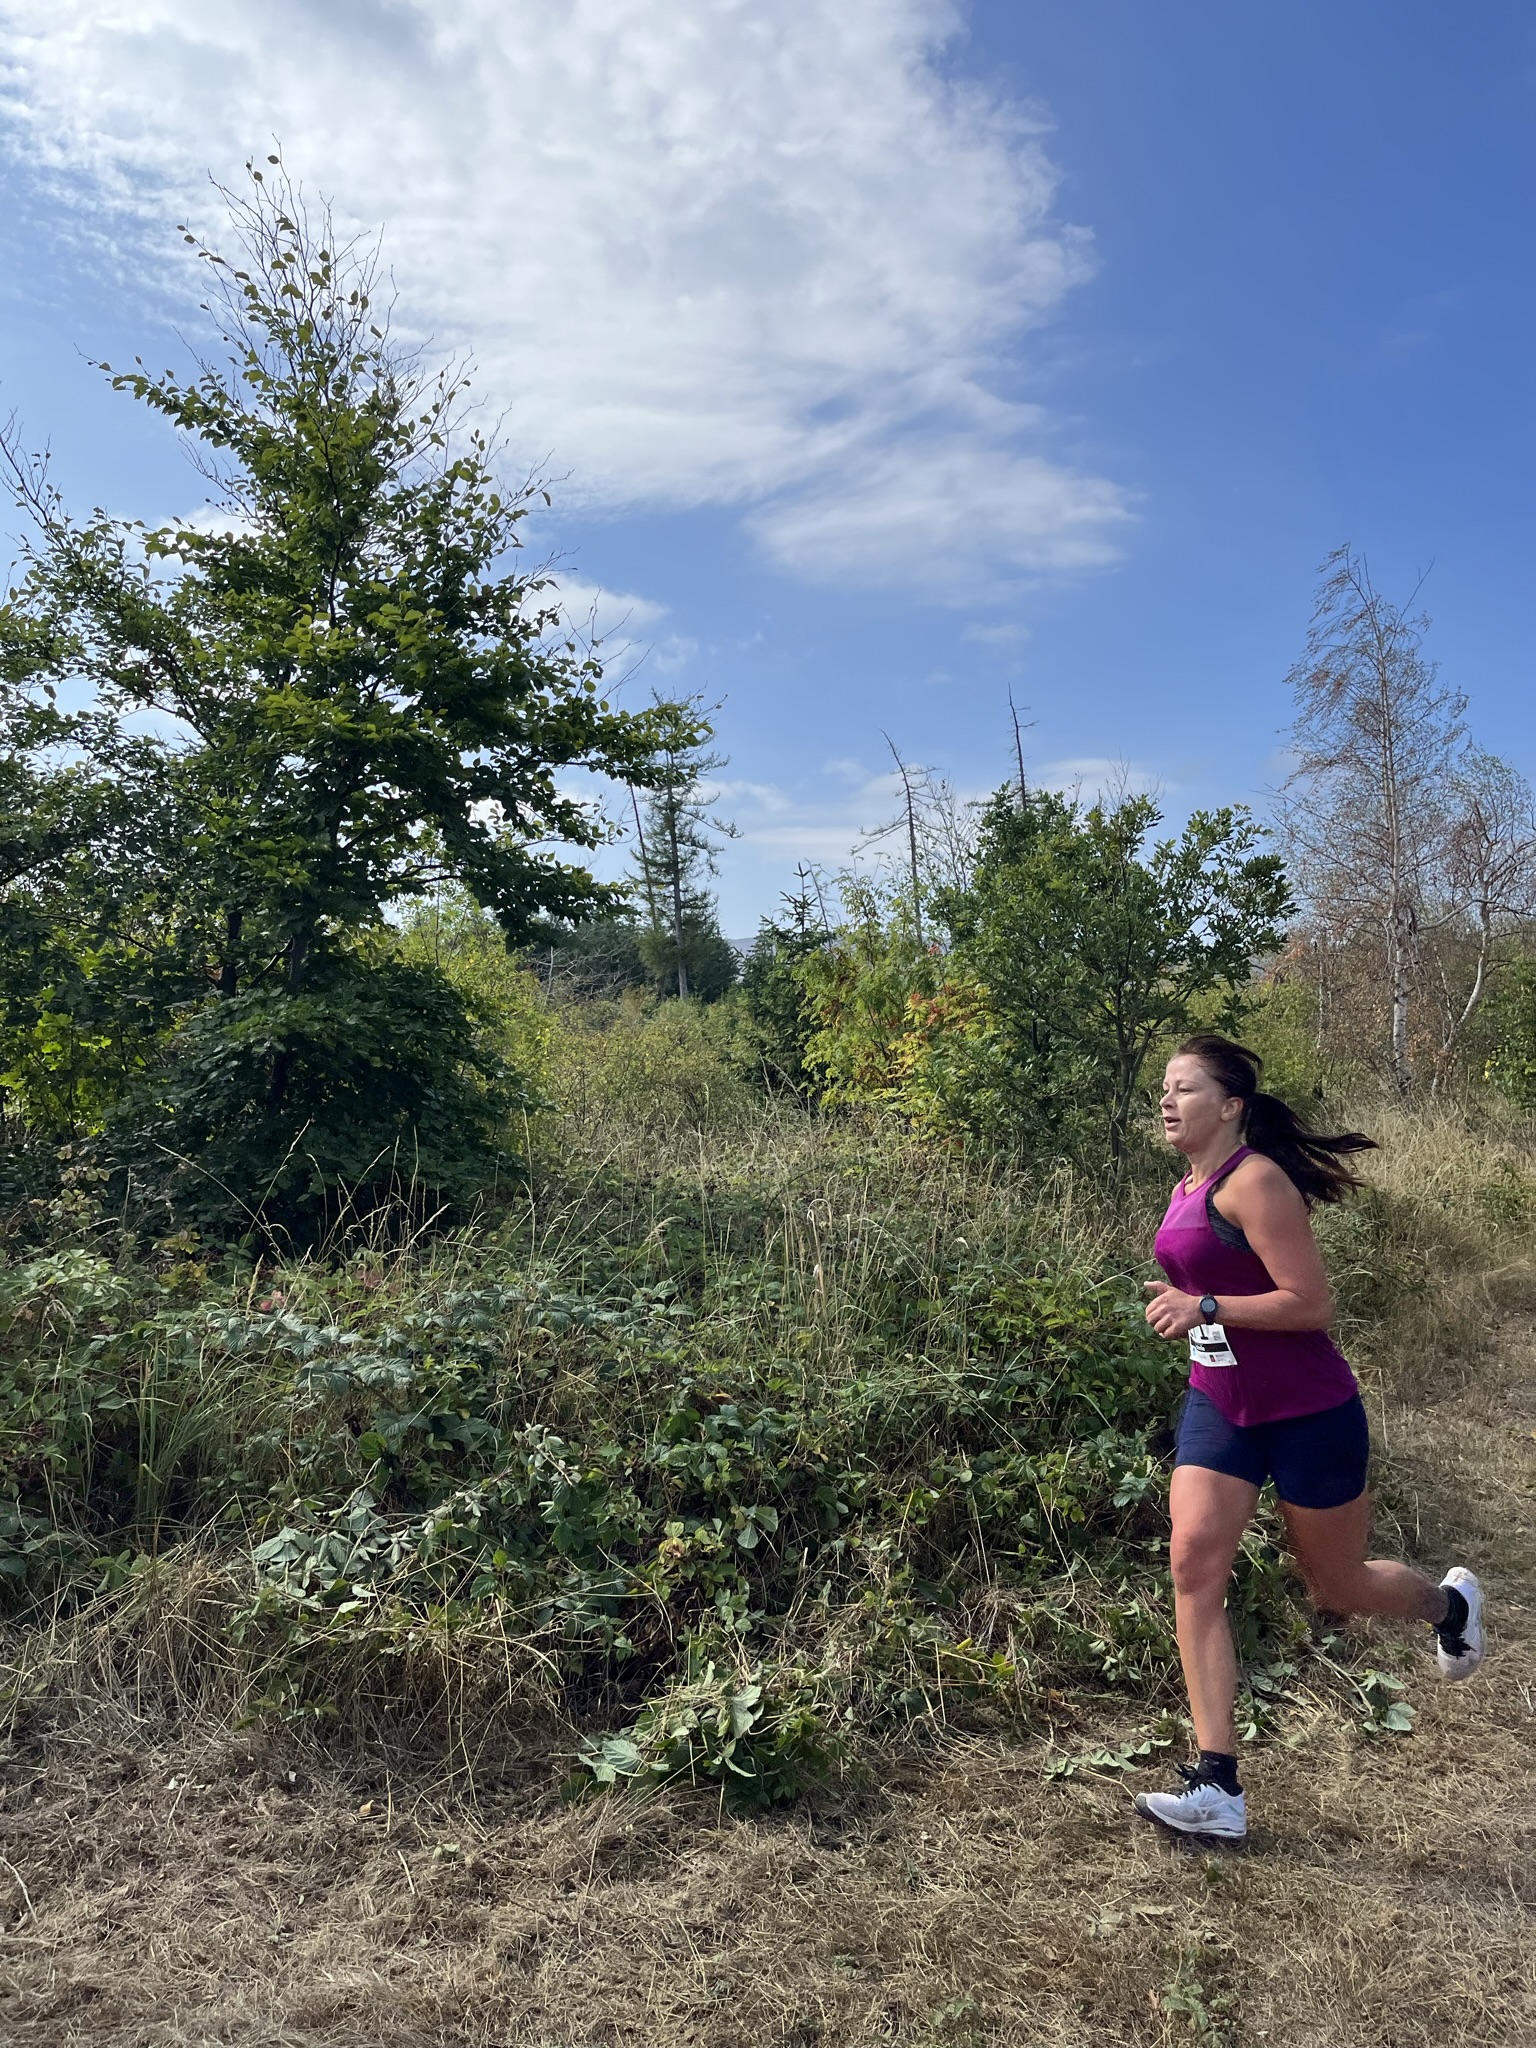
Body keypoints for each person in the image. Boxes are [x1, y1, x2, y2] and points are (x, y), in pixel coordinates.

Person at [1132, 1034, 1484, 1843]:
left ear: (1231, 1106)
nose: (1167, 1100)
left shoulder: (1255, 1180)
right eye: (1164, 1088)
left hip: (1308, 1413)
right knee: (1193, 1565)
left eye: (1184, 1088)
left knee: (1338, 1587)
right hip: (1219, 1407)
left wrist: (1204, 1306)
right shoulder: (1186, 1188)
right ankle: (1217, 1784)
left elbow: (1310, 1303)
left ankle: (1449, 1605)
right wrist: (1192, 1313)